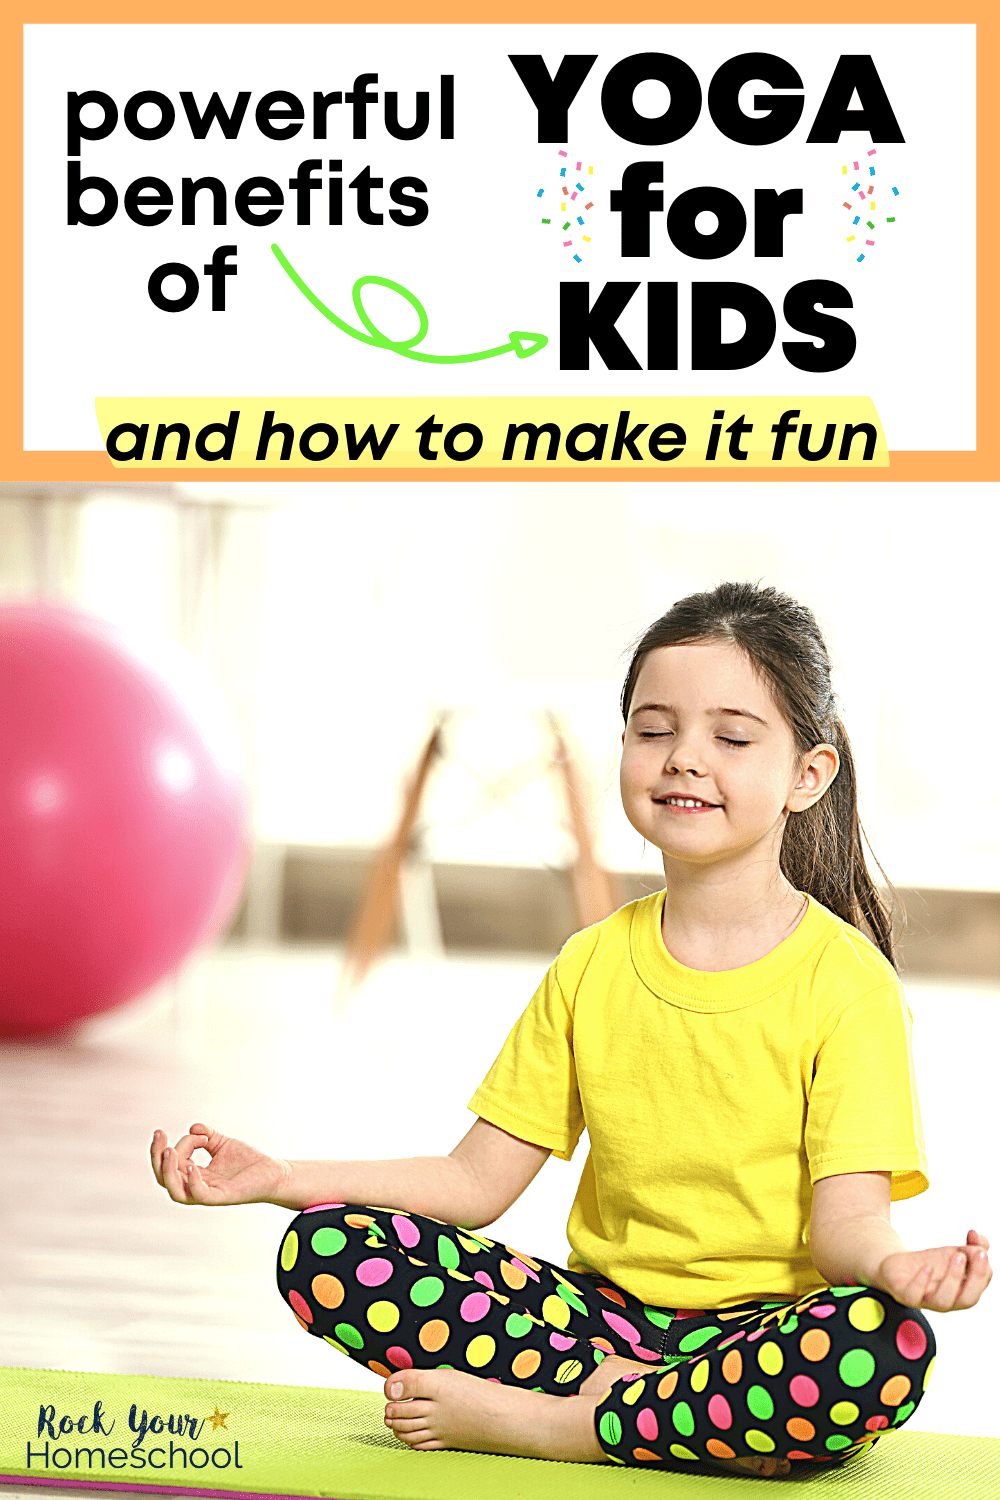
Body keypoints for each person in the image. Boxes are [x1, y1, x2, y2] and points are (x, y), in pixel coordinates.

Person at [151, 581, 992, 1478]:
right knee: (329, 1246)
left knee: (884, 1348)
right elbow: (473, 1181)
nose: (683, 759)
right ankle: (647, 1411)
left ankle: (565, 1425)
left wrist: (898, 1272)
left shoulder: (848, 982)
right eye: (654, 729)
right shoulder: (591, 963)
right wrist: (282, 1178)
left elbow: (847, 1227)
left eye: (733, 738)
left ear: (807, 776)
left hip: (764, 1337)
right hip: (593, 1326)